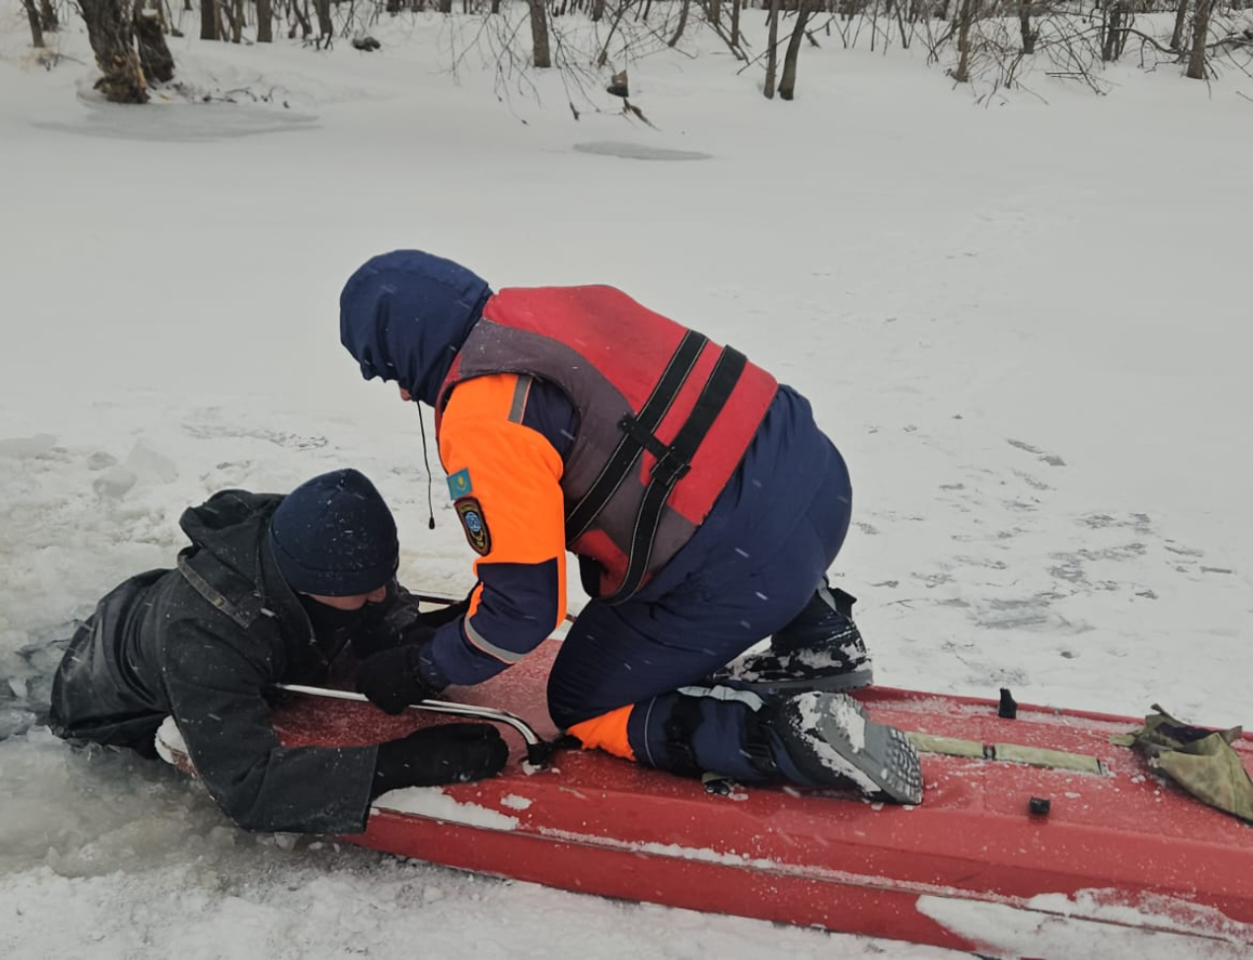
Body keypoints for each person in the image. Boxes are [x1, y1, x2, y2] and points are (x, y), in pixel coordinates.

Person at [336, 250, 922, 805]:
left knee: (580, 699)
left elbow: (524, 616)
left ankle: (784, 735)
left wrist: (425, 667)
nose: (409, 391)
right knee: (721, 480)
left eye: (390, 373)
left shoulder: (486, 417)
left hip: (745, 561)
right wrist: (464, 614)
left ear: (406, 349)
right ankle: (818, 637)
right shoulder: (557, 307)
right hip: (816, 480)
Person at [48, 468, 510, 835]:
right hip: (104, 702)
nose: (377, 596)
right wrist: (402, 763)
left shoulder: (318, 547)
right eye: (360, 590)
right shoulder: (205, 634)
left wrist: (405, 635)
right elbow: (249, 787)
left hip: (142, 614)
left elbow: (379, 598)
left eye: (380, 580)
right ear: (308, 583)